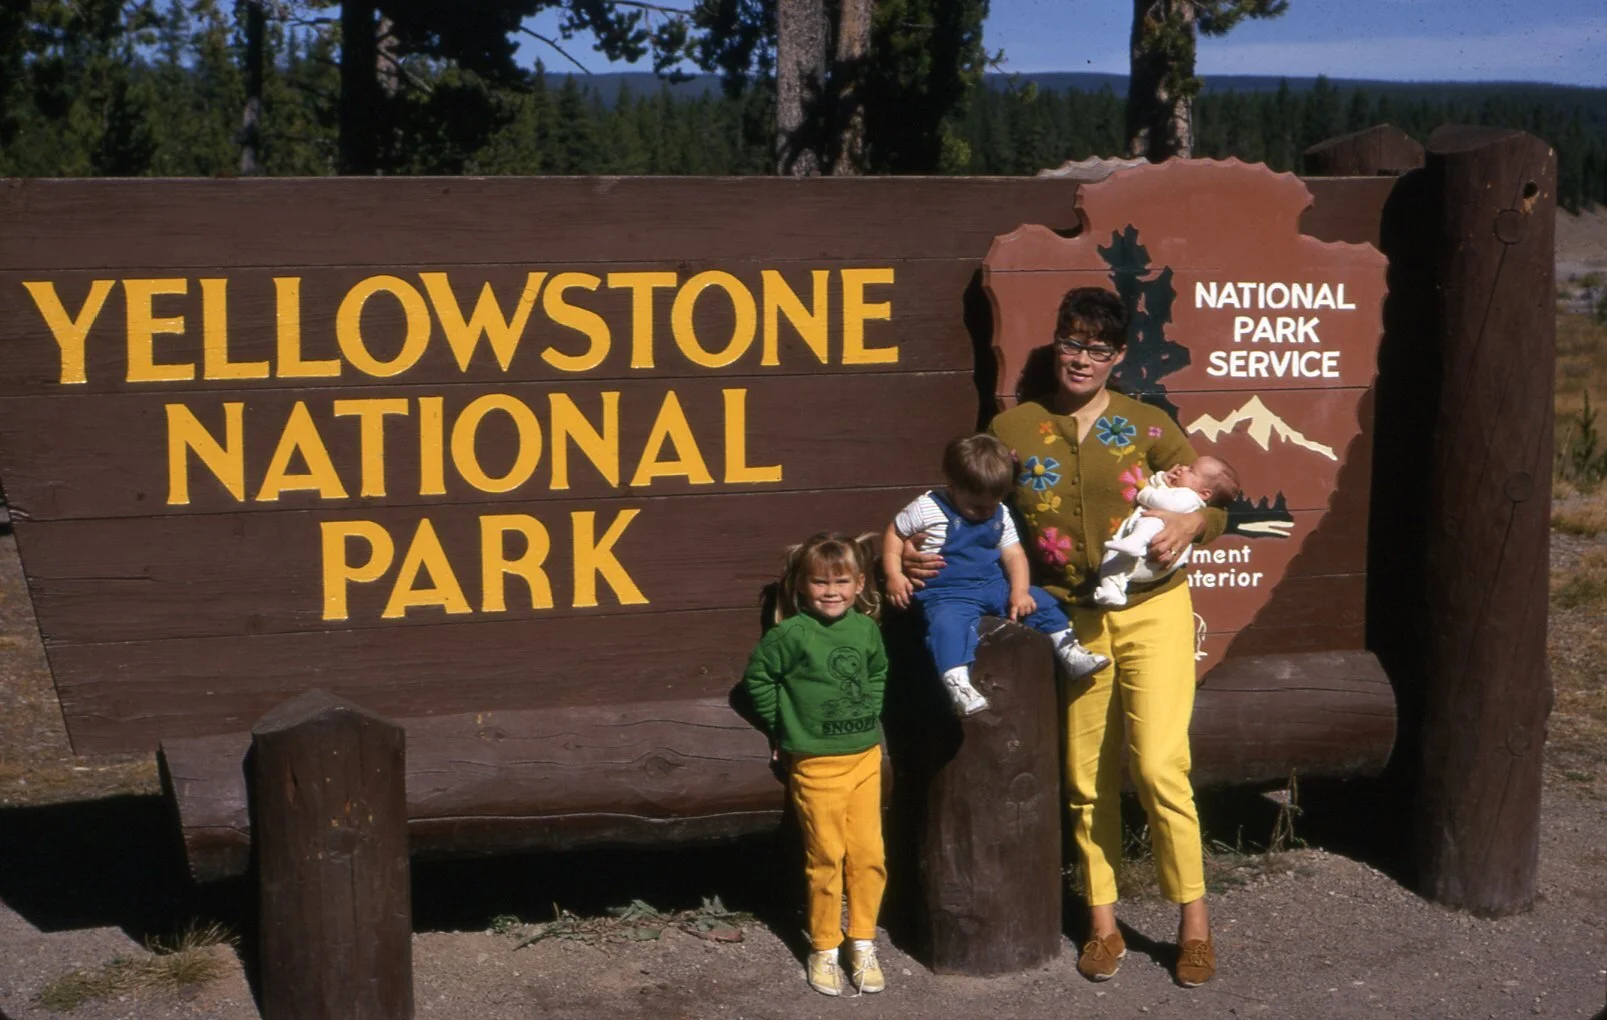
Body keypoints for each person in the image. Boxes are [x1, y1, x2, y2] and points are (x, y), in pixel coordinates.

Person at [905, 287, 1227, 988]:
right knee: (1085, 777)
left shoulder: (1149, 426)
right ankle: (1103, 924)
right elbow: (968, 502)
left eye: (1097, 348)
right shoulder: (1014, 427)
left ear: (1118, 357)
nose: (1081, 358)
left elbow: (1217, 499)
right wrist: (908, 550)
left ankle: (1194, 924)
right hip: (1072, 620)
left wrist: (1193, 522)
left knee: (1159, 767)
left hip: (1154, 610)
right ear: (1056, 344)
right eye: (1071, 342)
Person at [742, 532, 889, 997]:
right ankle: (824, 946)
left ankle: (862, 941)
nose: (831, 592)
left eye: (841, 582)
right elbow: (757, 680)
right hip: (815, 765)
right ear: (803, 585)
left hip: (865, 758)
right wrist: (784, 727)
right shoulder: (792, 635)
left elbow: (878, 672)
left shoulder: (865, 629)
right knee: (825, 858)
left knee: (869, 856)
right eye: (821, 582)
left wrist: (870, 710)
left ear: (859, 583)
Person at [881, 434, 1109, 716]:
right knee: (947, 627)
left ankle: (1068, 650)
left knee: (1041, 601)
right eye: (976, 506)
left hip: (992, 585)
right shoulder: (928, 508)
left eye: (993, 503)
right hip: (948, 592)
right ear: (952, 486)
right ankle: (958, 683)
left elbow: (1014, 554)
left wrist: (1020, 591)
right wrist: (894, 574)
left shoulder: (999, 512)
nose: (986, 512)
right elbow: (895, 533)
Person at [1093, 456, 1241, 607]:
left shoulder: (1188, 498)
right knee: (1113, 563)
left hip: (1153, 551)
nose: (1183, 468)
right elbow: (1159, 487)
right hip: (1144, 556)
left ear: (1204, 494)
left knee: (1153, 520)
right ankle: (1112, 590)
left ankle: (1136, 542)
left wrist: (1144, 491)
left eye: (1191, 470)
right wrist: (1162, 479)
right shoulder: (1177, 490)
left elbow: (1163, 501)